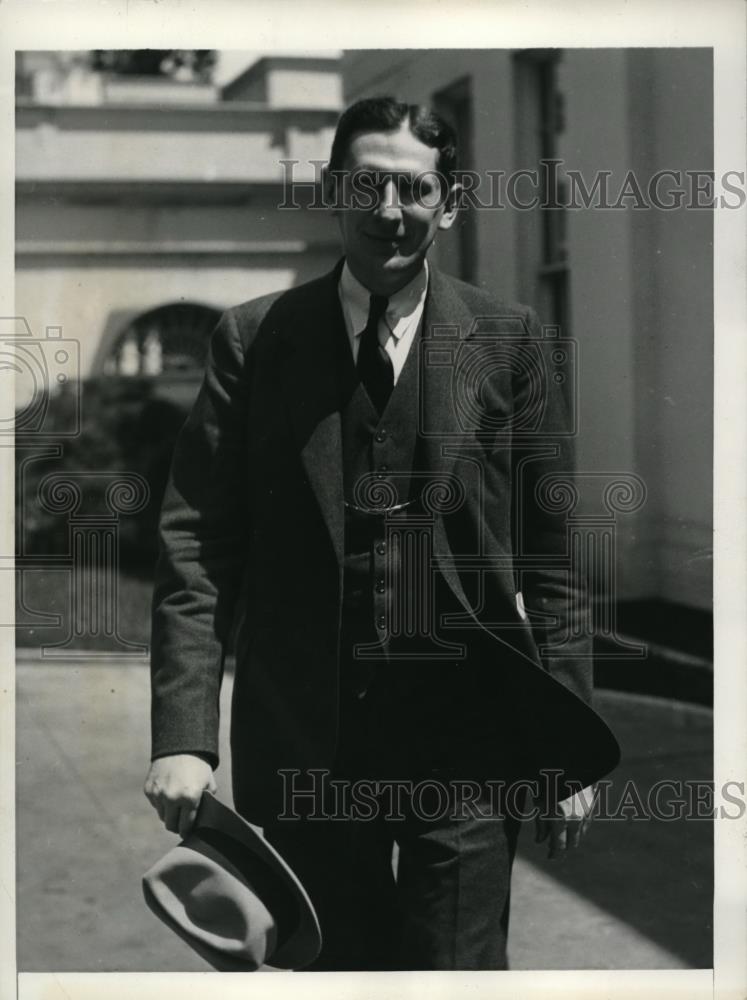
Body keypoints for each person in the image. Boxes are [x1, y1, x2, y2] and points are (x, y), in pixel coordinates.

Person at [144, 96, 620, 971]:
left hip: (470, 745)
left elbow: (552, 561)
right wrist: (183, 734)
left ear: (450, 203)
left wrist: (566, 748)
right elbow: (198, 546)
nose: (387, 211)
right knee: (337, 974)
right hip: (309, 746)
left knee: (456, 974)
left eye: (413, 188)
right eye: (366, 185)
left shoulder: (509, 341)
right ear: (333, 189)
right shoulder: (254, 341)